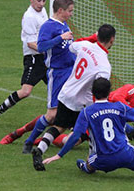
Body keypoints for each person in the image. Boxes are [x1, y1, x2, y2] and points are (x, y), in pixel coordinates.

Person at [43, 78, 134, 185]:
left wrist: (58, 155)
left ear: (93, 93)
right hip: (126, 154)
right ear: (109, 92)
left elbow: (75, 135)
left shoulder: (87, 112)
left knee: (90, 162)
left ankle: (85, 166)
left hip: (103, 159)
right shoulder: (120, 107)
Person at [31, 24, 115, 171]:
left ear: (97, 36)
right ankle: (91, 162)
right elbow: (100, 88)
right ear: (112, 40)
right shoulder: (104, 65)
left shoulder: (84, 45)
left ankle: (40, 149)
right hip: (81, 101)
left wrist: (90, 38)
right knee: (92, 129)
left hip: (65, 93)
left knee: (58, 127)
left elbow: (72, 46)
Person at [0, 0, 49, 132]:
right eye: (38, 0)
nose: (42, 4)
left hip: (45, 58)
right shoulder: (30, 17)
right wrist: (51, 47)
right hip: (34, 59)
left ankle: (66, 122)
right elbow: (31, 44)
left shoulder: (42, 11)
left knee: (59, 88)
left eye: (44, 0)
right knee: (26, 91)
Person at [19, 0, 76, 153]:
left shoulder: (63, 24)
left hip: (70, 73)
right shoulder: (48, 27)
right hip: (57, 74)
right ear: (60, 10)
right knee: (52, 115)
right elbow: (42, 46)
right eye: (69, 11)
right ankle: (30, 141)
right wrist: (60, 38)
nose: (71, 14)